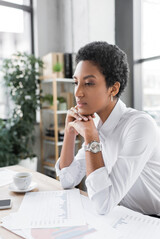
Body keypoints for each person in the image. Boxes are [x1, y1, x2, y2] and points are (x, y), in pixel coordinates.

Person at [55, 41, 160, 216]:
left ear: (113, 88)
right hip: (123, 217)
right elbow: (67, 180)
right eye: (76, 82)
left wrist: (91, 138)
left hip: (153, 222)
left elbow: (103, 204)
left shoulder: (140, 125)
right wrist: (69, 131)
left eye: (88, 83)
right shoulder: (96, 125)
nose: (78, 92)